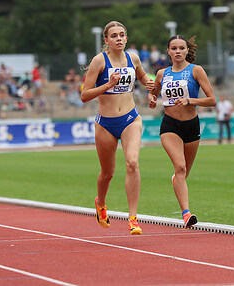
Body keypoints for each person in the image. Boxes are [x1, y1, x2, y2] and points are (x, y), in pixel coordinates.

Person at [80, 21, 154, 235]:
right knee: (107, 173)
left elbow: (142, 77)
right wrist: (107, 85)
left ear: (126, 38)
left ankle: (133, 218)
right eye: (114, 36)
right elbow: (84, 95)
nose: (119, 39)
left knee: (132, 163)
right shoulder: (99, 61)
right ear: (107, 40)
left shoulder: (134, 58)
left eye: (122, 35)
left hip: (131, 119)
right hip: (105, 123)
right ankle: (101, 203)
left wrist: (150, 88)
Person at [148, 35, 216, 228]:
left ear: (187, 51)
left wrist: (190, 101)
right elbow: (152, 93)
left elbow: (212, 100)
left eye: (181, 48)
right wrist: (152, 99)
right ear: (168, 51)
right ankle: (186, 214)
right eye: (174, 48)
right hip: (169, 125)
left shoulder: (196, 71)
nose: (177, 51)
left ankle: (176, 181)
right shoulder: (162, 73)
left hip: (191, 125)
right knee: (180, 167)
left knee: (184, 172)